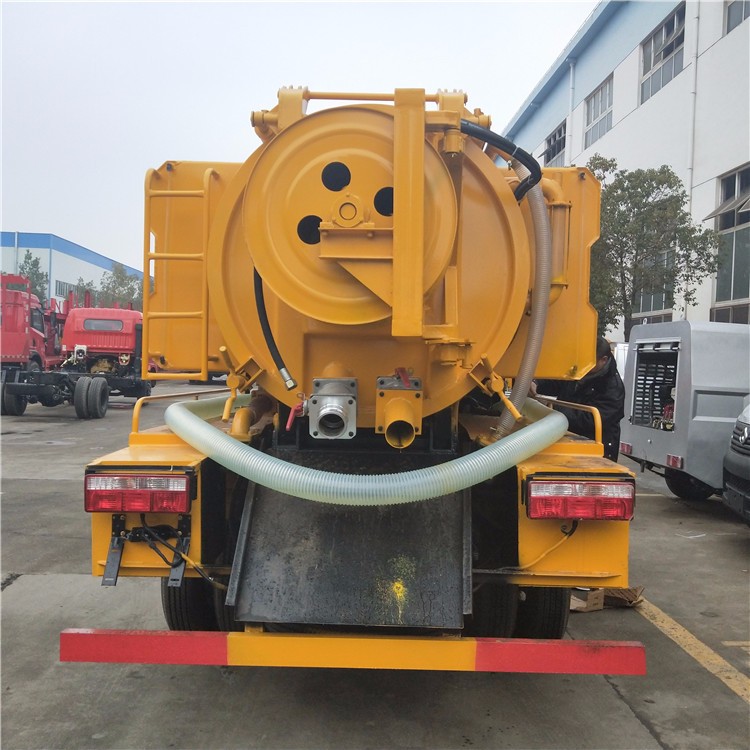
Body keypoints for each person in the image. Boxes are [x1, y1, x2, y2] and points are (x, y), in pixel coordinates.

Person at [531, 336, 625, 461]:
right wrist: (537, 384)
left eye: (590, 362)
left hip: (595, 450)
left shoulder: (612, 388)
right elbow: (559, 382)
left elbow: (589, 420)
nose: (584, 364)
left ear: (603, 360)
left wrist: (553, 409)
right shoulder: (581, 370)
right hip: (571, 440)